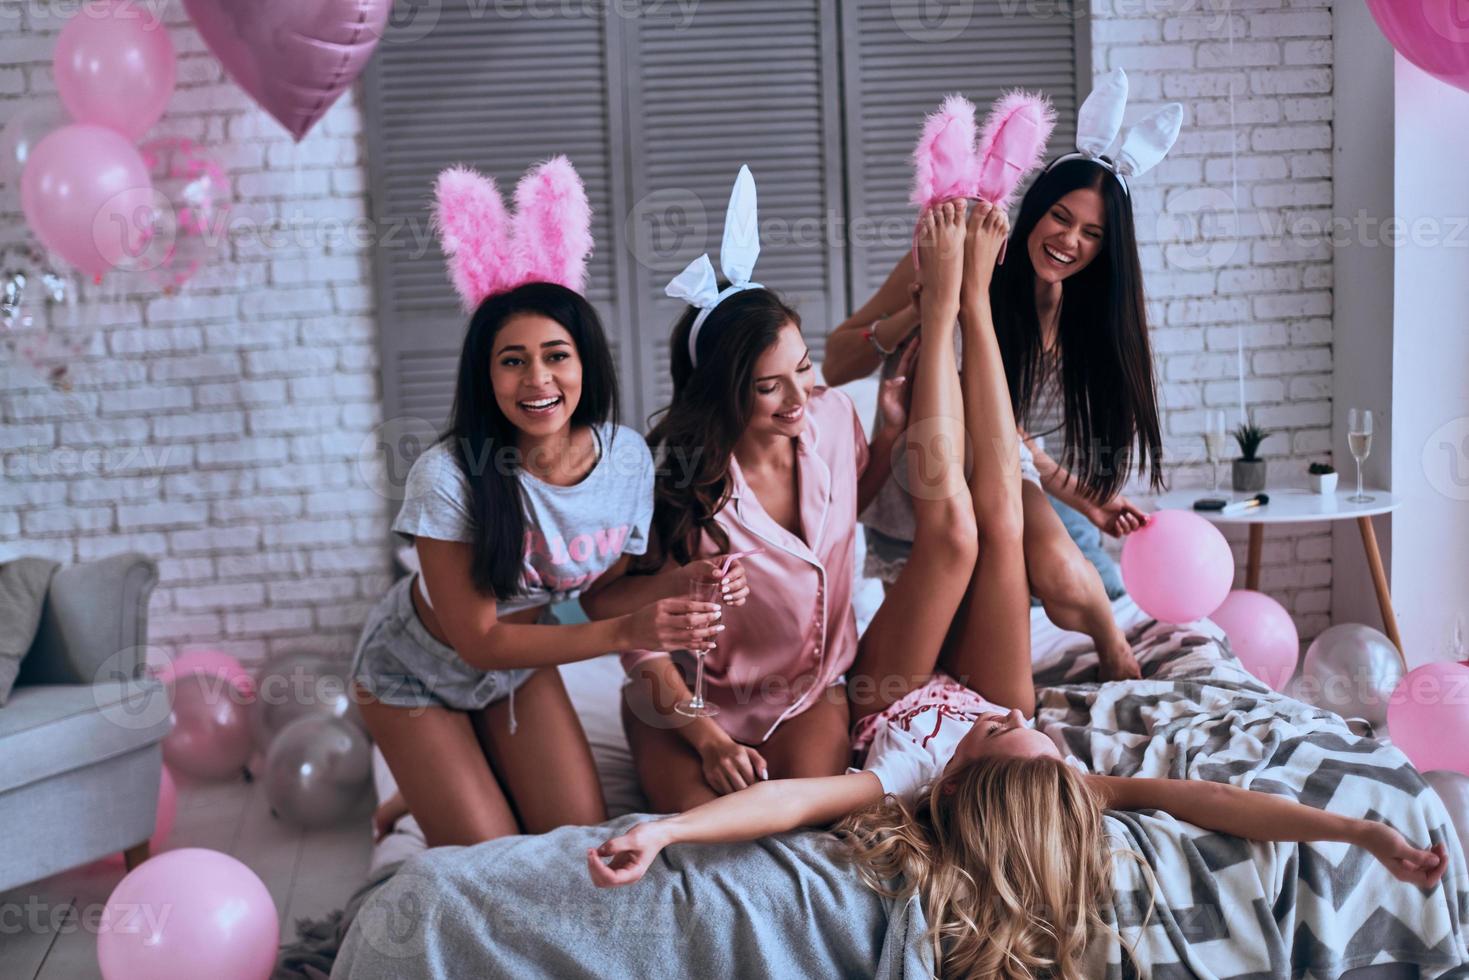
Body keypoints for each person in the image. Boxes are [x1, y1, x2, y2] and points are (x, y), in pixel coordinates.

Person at [585, 200, 1448, 978]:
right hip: (882, 669)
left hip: (871, 691)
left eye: (1005, 735)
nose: (1017, 719)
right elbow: (1221, 802)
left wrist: (664, 830)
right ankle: (967, 310)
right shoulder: (1051, 766)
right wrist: (1360, 832)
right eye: (1029, 731)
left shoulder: (905, 778)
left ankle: (951, 306)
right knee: (994, 510)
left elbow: (793, 798)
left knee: (961, 525)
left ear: (956, 784)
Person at [353, 159, 721, 848]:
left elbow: (603, 590)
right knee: (492, 861)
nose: (538, 379)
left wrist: (673, 589)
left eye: (556, 355)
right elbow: (479, 640)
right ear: (484, 374)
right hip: (415, 675)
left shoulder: (625, 461)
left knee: (573, 838)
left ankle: (443, 775)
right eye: (511, 360)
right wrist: (627, 634)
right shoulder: (448, 476)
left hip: (519, 664)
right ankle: (432, 770)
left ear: (585, 363)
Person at [825, 75, 1181, 681]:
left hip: (994, 463)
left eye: (1091, 233)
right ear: (1035, 206)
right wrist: (927, 300)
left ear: (1108, 247)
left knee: (1061, 572)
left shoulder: (1079, 318)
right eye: (1060, 218)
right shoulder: (955, 252)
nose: (1069, 240)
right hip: (921, 465)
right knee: (937, 647)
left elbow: (1003, 432)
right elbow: (836, 363)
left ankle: (1114, 647)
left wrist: (1088, 500)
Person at [598, 167, 910, 813]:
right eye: (770, 386)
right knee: (707, 847)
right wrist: (708, 741)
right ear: (720, 390)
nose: (799, 397)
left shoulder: (830, 418)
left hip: (808, 692)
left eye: (802, 368)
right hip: (686, 707)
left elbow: (850, 499)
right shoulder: (678, 489)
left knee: (801, 834)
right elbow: (624, 626)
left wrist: (887, 439)